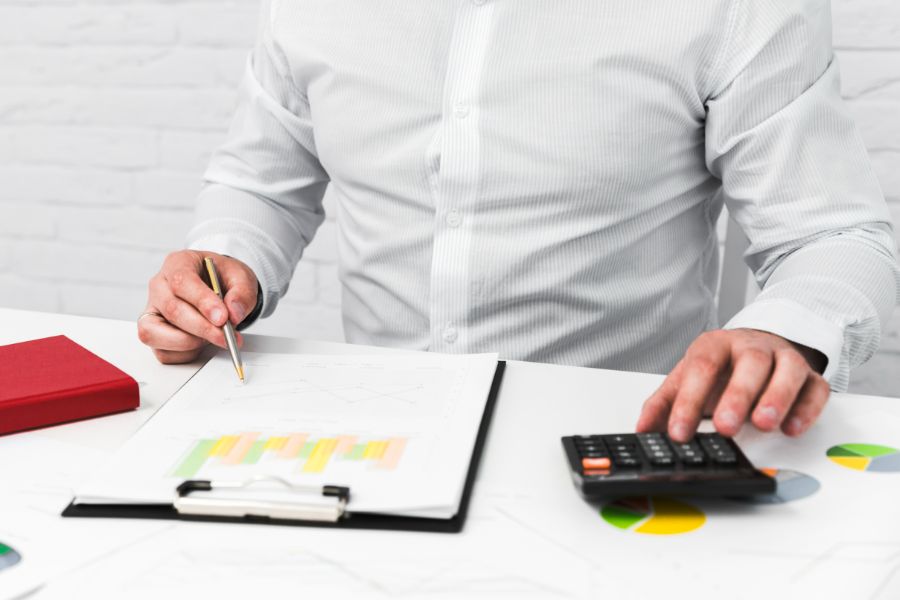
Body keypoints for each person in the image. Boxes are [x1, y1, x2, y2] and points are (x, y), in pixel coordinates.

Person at [138, 0, 899, 443]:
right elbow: (261, 186)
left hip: (613, 444)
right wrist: (219, 264)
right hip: (375, 440)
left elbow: (832, 234)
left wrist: (781, 333)